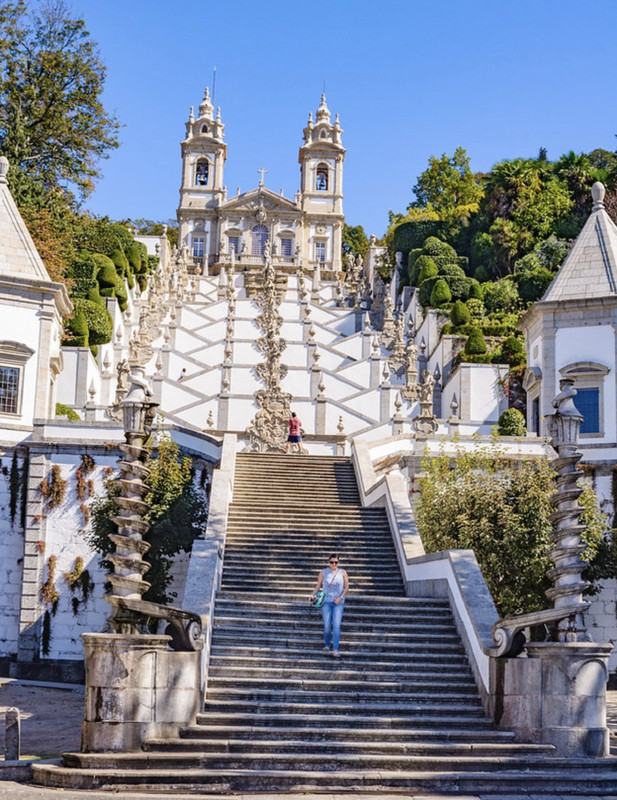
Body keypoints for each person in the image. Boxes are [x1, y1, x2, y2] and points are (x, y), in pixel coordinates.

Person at [310, 554, 348, 657]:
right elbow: (318, 586)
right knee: (327, 625)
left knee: (336, 624)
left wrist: (341, 598)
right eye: (332, 562)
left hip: (338, 602)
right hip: (326, 601)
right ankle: (327, 645)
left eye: (336, 562)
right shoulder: (323, 572)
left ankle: (335, 649)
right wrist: (312, 595)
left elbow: (346, 588)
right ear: (328, 562)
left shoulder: (343, 572)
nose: (334, 564)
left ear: (338, 563)